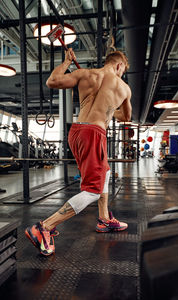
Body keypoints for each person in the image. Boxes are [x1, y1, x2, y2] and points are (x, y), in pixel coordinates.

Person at [25, 48, 132, 256]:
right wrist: (110, 106)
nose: (121, 73)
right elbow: (125, 117)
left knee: (105, 172)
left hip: (76, 131)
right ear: (119, 66)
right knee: (92, 191)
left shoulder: (86, 74)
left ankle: (104, 219)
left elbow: (52, 81)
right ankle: (44, 227)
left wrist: (66, 62)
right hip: (95, 134)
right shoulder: (124, 88)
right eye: (123, 70)